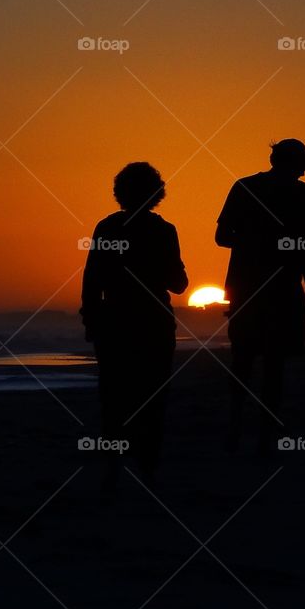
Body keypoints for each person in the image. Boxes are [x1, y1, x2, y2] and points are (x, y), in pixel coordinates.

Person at [81, 162, 188, 491]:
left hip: (114, 323)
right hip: (153, 323)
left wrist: (92, 321)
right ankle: (148, 469)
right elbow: (180, 284)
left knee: (113, 399)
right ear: (157, 194)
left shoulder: (107, 227)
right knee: (153, 398)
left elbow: (91, 280)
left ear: (120, 193)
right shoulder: (164, 230)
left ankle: (114, 469)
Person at [216, 139, 305, 455]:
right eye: (301, 168)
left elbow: (222, 237)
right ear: (293, 165)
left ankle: (239, 430)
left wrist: (251, 243)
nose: (303, 174)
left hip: (248, 289)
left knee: (245, 360)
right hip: (280, 289)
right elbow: (304, 247)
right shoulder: (301, 194)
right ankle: (262, 435)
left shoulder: (245, 187)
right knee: (270, 364)